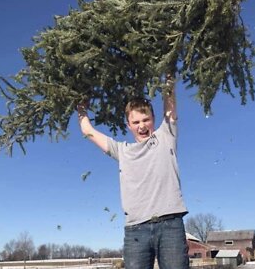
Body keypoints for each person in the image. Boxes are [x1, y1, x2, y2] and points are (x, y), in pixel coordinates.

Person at [77, 74, 189, 269]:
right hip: (136, 231)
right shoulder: (122, 151)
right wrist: (81, 109)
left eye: (146, 120)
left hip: (170, 225)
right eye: (136, 122)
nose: (142, 126)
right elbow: (89, 131)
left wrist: (169, 79)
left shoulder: (166, 136)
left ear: (154, 119)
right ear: (128, 125)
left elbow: (169, 106)